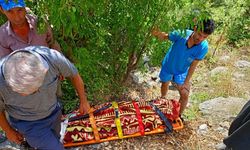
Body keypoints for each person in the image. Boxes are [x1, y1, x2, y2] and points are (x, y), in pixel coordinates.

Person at [0, 46, 91, 149]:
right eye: (32, 91)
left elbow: (74, 75)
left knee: (55, 138)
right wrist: (8, 130)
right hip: (28, 123)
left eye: (39, 86)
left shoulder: (52, 58)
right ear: (13, 87)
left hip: (54, 112)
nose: (38, 91)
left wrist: (83, 100)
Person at [152, 19, 215, 116]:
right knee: (165, 83)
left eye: (204, 37)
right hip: (169, 65)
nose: (200, 38)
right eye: (199, 34)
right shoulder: (181, 34)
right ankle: (163, 98)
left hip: (182, 71)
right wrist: (155, 32)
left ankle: (177, 116)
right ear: (195, 28)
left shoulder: (203, 47)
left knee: (185, 94)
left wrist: (186, 82)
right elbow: (165, 36)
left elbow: (193, 65)